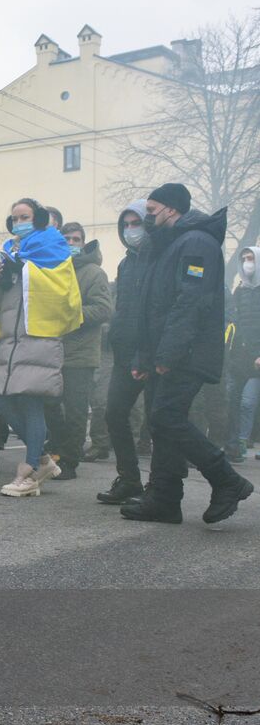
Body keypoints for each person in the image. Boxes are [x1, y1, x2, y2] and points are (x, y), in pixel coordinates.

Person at [122, 183, 253, 524]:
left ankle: (227, 480)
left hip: (188, 351)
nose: (146, 218)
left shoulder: (196, 243)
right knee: (161, 421)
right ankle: (164, 500)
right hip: (168, 350)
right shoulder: (168, 244)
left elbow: (189, 302)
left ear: (171, 209)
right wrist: (146, 356)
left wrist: (167, 354)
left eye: (151, 211)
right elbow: (153, 308)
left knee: (167, 417)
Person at [0, 198, 81, 497]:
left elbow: (60, 290)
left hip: (39, 336)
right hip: (11, 338)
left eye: (24, 216)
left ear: (37, 218)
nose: (19, 222)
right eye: (14, 217)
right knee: (1, 400)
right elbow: (0, 299)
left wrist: (23, 268)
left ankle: (27, 473)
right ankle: (42, 460)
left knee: (30, 402)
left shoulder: (53, 244)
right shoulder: (12, 249)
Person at [43, 222, 113, 480]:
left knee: (75, 409)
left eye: (76, 239)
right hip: (52, 350)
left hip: (81, 353)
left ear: (83, 243)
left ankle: (70, 461)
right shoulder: (54, 268)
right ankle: (57, 451)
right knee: (49, 405)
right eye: (67, 239)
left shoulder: (94, 273)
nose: (71, 244)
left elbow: (104, 309)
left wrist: (72, 315)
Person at [97, 201, 152, 506]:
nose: (131, 230)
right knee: (114, 412)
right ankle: (129, 479)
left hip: (151, 352)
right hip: (125, 350)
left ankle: (161, 484)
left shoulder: (160, 258)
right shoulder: (127, 263)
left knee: (160, 421)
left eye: (137, 223)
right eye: (126, 225)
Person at [225, 243, 260, 461]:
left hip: (257, 354)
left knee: (249, 401)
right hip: (240, 354)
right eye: (245, 258)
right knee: (235, 400)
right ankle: (234, 446)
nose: (248, 263)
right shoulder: (239, 289)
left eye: (252, 258)